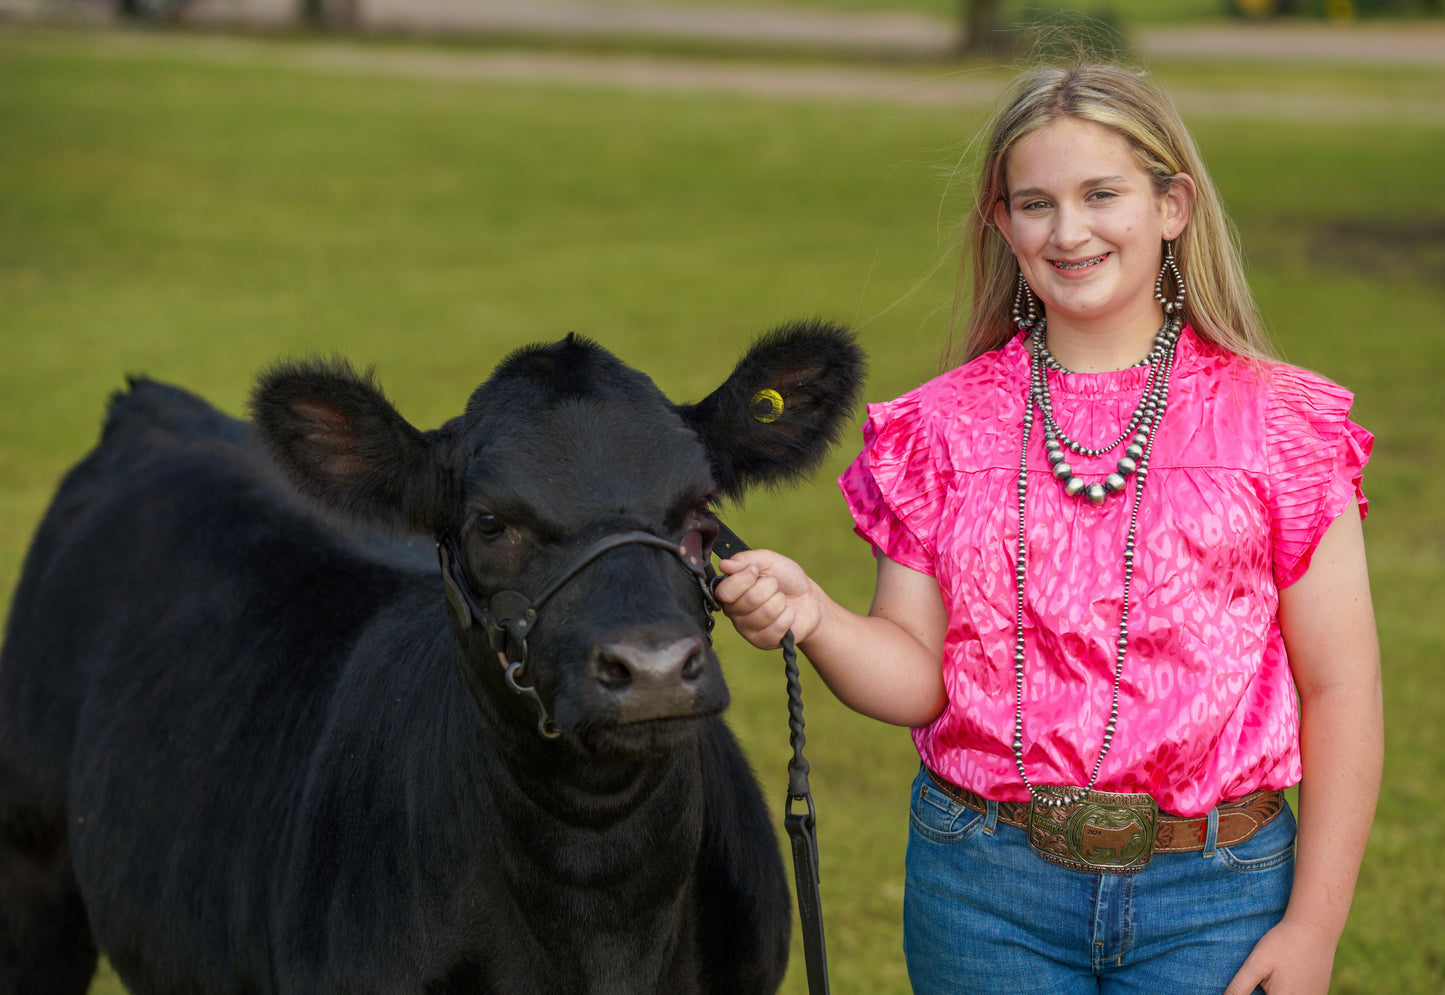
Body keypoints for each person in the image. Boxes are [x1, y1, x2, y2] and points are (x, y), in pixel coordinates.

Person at [716, 59, 1382, 995]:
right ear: (1000, 222)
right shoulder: (939, 429)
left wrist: (1312, 927)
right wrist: (815, 613)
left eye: (1101, 194)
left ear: (1172, 205)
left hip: (1218, 894)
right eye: (1034, 203)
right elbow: (917, 677)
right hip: (985, 890)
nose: (1068, 231)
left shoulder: (1278, 425)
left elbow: (1340, 686)